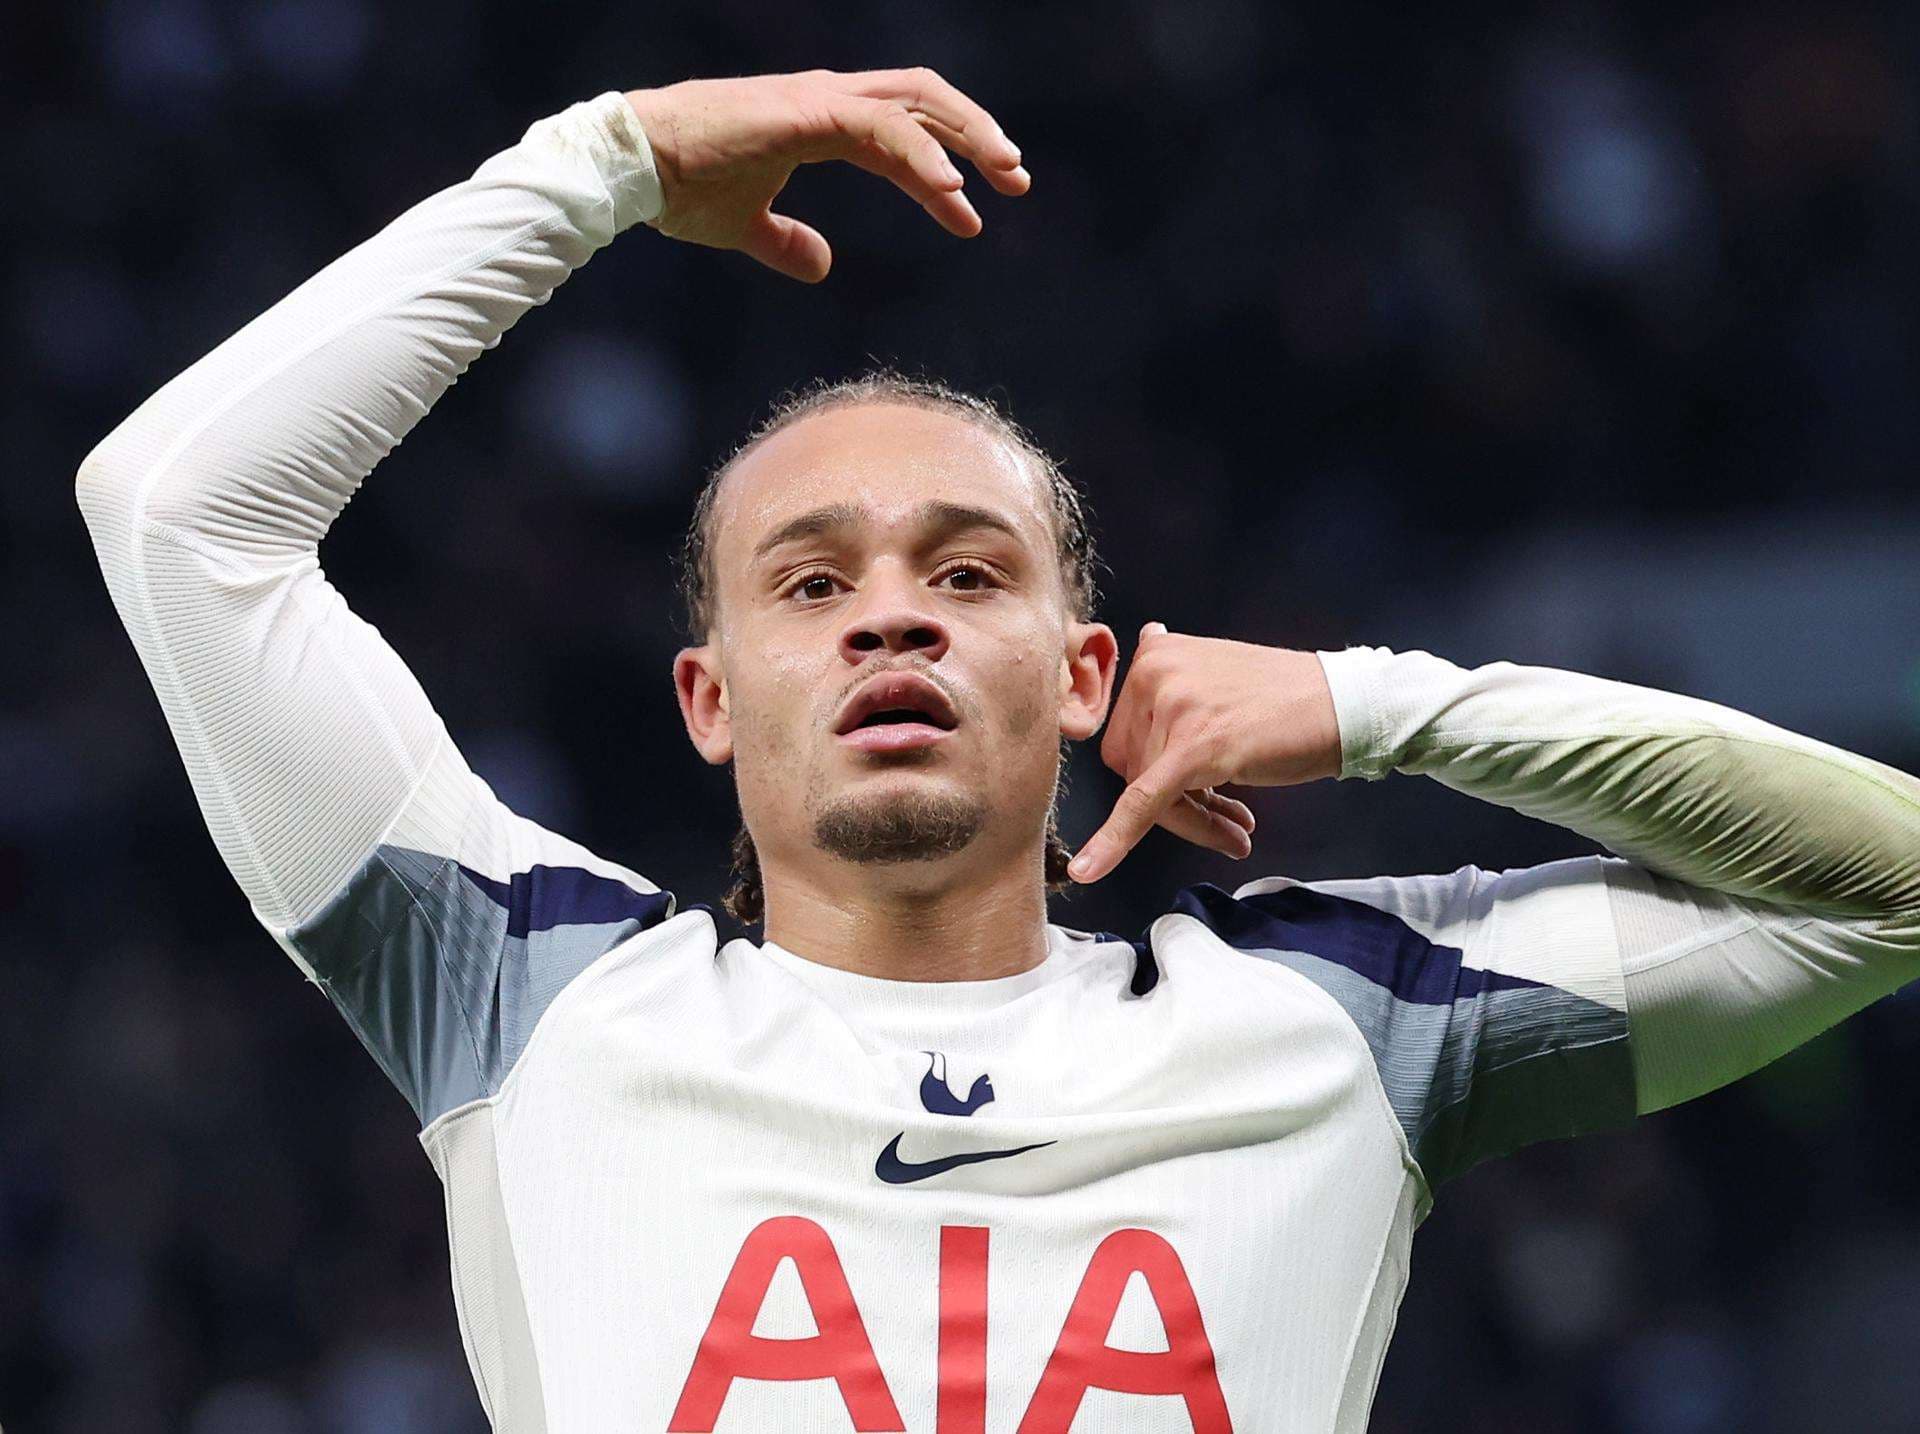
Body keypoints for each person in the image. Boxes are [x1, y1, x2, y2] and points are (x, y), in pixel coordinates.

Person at [76, 67, 1920, 1433]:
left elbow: (1893, 889)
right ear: (708, 700)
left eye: (968, 572)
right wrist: (600, 166)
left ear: (1082, 675)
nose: (892, 616)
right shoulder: (519, 990)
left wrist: (1384, 705)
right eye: (809, 584)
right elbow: (176, 514)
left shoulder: (1341, 1018)